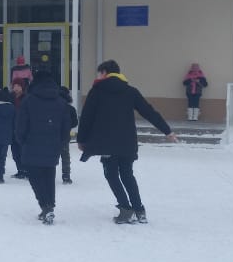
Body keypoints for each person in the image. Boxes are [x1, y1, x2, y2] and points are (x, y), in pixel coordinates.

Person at [76, 59, 178, 225]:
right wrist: (167, 131)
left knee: (111, 174)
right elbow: (149, 112)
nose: (98, 76)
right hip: (127, 142)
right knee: (127, 174)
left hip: (106, 143)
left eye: (99, 73)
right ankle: (139, 210)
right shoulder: (130, 91)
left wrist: (81, 139)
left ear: (104, 73)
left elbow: (87, 117)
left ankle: (125, 208)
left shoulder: (97, 91)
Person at [16, 69, 72, 224]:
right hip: (53, 145)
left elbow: (21, 124)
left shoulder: (28, 100)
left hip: (31, 144)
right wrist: (62, 142)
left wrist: (21, 140)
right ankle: (49, 206)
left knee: (34, 176)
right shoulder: (60, 102)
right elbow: (66, 126)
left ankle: (45, 205)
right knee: (49, 175)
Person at [58, 85, 79, 184]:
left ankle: (48, 175)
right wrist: (68, 126)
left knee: (50, 155)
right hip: (65, 135)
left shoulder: (53, 106)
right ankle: (66, 176)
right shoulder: (71, 108)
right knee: (65, 156)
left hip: (52, 135)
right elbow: (75, 123)